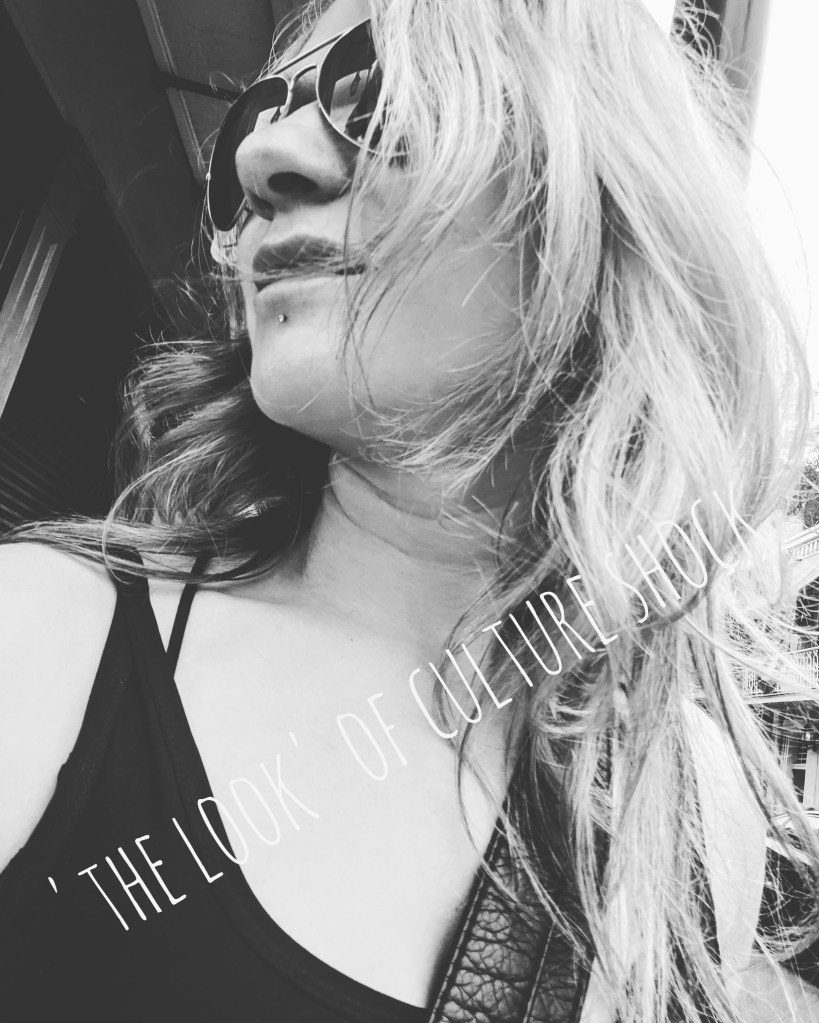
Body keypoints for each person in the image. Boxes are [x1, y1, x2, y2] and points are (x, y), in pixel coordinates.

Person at [0, 0, 817, 1019]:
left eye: (383, 95)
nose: (259, 157)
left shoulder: (681, 821)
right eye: (254, 117)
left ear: (605, 187)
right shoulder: (39, 639)